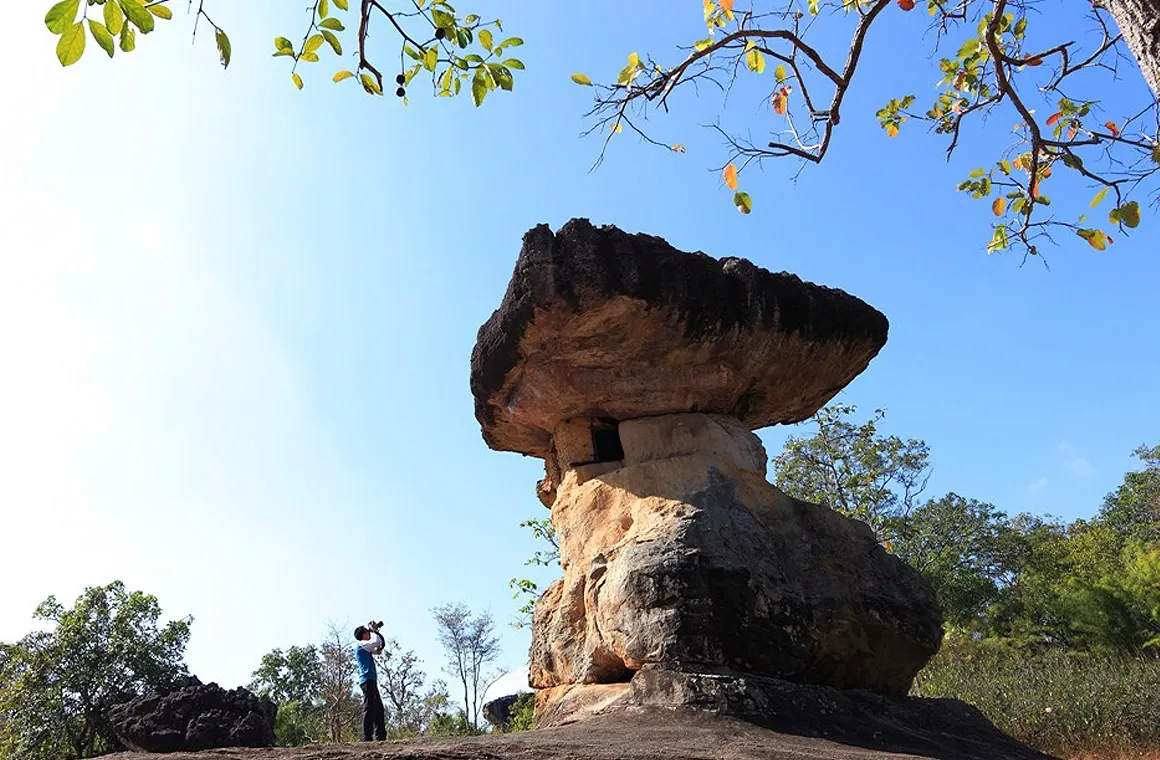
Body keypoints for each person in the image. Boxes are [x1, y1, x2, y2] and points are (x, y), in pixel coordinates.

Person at [353, 621, 386, 741]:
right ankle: (367, 738)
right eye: (367, 631)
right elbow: (377, 641)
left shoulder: (365, 647)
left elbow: (379, 648)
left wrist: (375, 632)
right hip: (367, 680)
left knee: (378, 708)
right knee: (369, 707)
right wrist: (374, 630)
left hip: (371, 680)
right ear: (363, 635)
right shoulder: (362, 645)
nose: (368, 633)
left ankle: (380, 737)